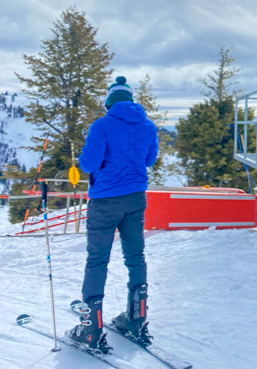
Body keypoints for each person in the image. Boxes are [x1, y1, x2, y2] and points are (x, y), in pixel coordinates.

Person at [68, 76, 158, 353]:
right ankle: (136, 318)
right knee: (135, 255)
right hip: (135, 198)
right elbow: (149, 160)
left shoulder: (102, 125)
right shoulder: (148, 125)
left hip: (105, 200)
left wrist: (84, 156)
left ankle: (90, 328)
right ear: (130, 100)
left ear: (109, 102)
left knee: (97, 260)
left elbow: (89, 163)